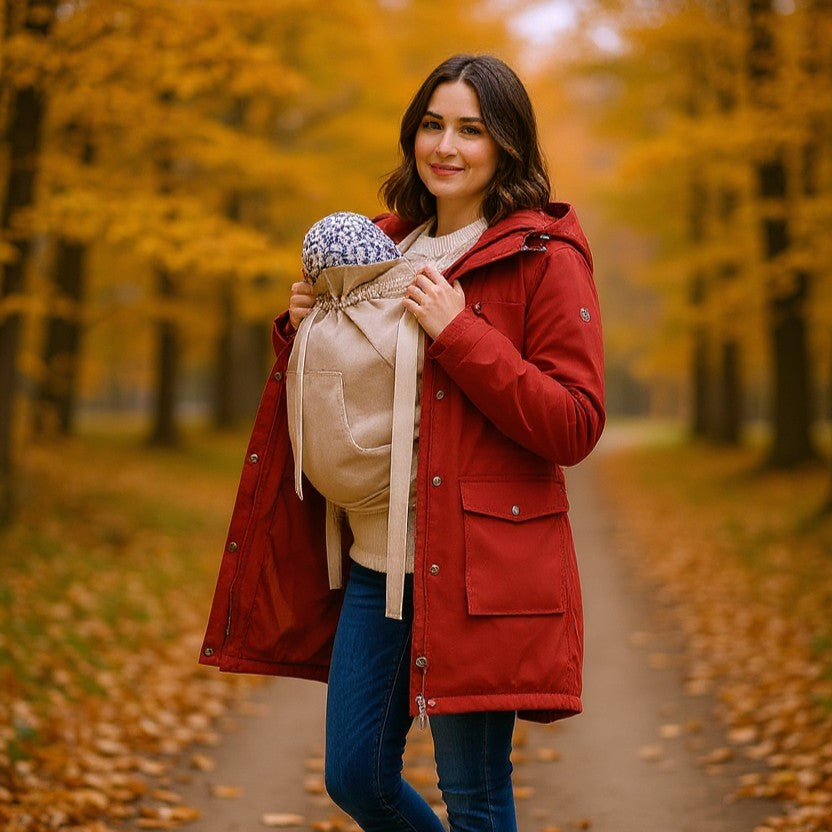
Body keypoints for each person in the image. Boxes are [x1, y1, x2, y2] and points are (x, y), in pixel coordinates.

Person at [199, 53, 605, 831]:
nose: (445, 146)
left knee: (475, 796)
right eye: (432, 125)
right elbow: (340, 392)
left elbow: (575, 422)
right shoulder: (376, 248)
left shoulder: (541, 259)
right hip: (372, 566)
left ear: (507, 146)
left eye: (471, 130)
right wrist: (301, 327)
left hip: (480, 570)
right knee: (357, 778)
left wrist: (461, 333)